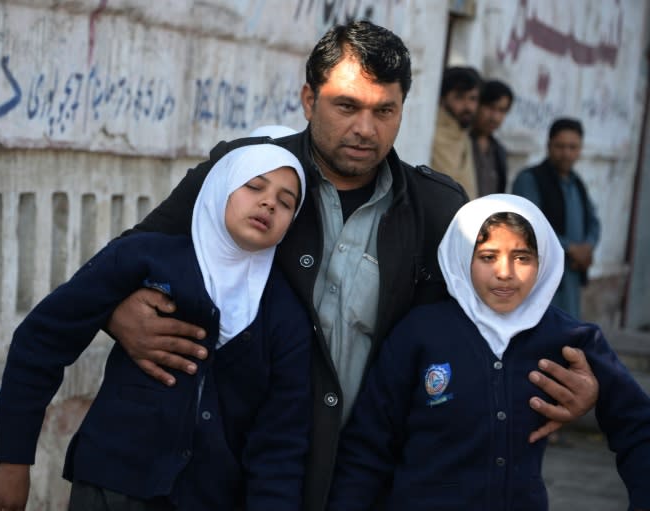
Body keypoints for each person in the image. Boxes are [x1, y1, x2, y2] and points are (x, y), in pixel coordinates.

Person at [106, 21, 599, 511]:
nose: (366, 129)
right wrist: (120, 313)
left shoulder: (439, 212)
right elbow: (129, 258)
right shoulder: (247, 176)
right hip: (214, 472)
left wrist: (574, 381)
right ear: (308, 99)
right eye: (347, 106)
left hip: (356, 482)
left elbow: (498, 319)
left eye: (385, 110)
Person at [0, 143, 313, 511]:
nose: (268, 203)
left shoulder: (287, 316)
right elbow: (41, 339)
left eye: (286, 202)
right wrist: (13, 459)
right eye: (254, 186)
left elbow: (280, 442)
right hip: (111, 489)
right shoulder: (145, 259)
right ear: (221, 186)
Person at [326, 194, 650, 511]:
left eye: (523, 257)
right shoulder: (419, 333)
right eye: (487, 256)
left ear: (544, 260)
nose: (505, 272)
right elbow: (367, 449)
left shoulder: (568, 338)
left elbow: (637, 426)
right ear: (461, 256)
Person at [512, 117, 600, 318]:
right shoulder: (530, 179)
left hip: (572, 274)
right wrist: (570, 248)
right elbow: (528, 224)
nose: (566, 153)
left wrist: (588, 247)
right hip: (540, 275)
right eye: (560, 146)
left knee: (567, 331)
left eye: (572, 147)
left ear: (580, 149)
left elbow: (594, 221)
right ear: (549, 145)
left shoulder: (577, 183)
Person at [430, 66, 483, 199]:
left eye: (472, 99)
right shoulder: (432, 133)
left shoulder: (463, 135)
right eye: (459, 97)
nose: (468, 106)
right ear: (443, 98)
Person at [470, 79, 514, 196]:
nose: (495, 117)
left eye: (501, 110)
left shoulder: (499, 151)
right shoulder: (461, 141)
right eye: (490, 107)